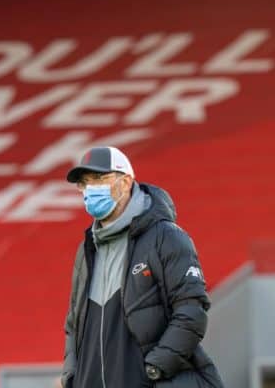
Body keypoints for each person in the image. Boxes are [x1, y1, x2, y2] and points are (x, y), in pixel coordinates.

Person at [61, 146, 224, 388]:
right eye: (84, 183)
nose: (90, 189)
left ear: (126, 182)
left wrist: (154, 369)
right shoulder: (86, 251)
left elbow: (191, 311)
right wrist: (72, 376)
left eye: (98, 178)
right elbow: (73, 324)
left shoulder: (165, 236)